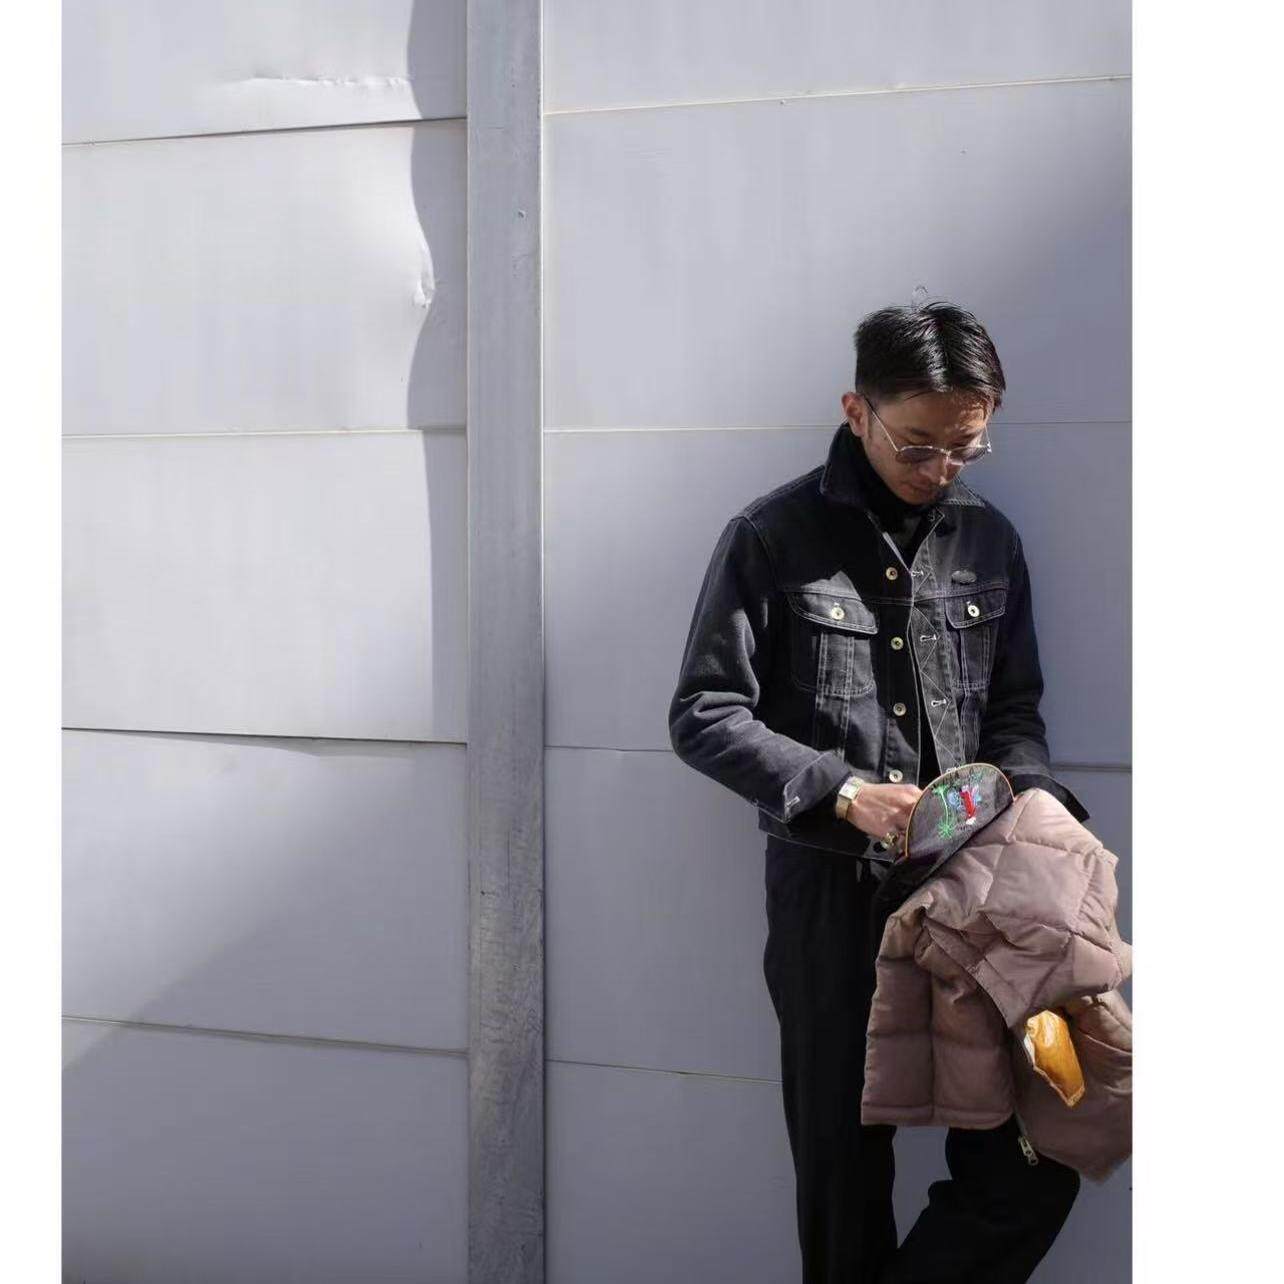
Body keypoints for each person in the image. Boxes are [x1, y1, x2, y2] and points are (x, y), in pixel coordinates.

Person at [668, 301, 1089, 1282]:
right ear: (857, 410)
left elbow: (1015, 712)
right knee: (843, 1176)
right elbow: (703, 713)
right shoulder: (771, 538)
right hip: (833, 901)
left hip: (977, 895)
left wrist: (1034, 800)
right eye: (919, 444)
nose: (942, 468)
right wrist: (842, 790)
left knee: (1039, 1154)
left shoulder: (989, 541)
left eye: (965, 448)